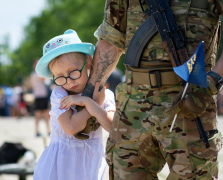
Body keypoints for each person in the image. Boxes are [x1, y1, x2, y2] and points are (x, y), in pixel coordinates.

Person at [82, 0, 223, 179]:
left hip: (189, 100)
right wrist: (88, 95)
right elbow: (111, 38)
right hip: (132, 107)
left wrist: (214, 80)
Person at [33, 29, 116, 180]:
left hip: (90, 161)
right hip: (61, 163)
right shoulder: (60, 94)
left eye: (73, 72)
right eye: (59, 77)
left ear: (89, 63)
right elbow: (71, 128)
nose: (69, 81)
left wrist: (88, 102)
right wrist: (94, 104)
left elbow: (112, 127)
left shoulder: (103, 93)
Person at [30, 59, 51, 137]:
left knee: (45, 114)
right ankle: (37, 131)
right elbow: (44, 78)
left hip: (42, 96)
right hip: (40, 96)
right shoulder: (35, 74)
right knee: (39, 114)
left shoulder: (36, 74)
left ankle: (47, 130)